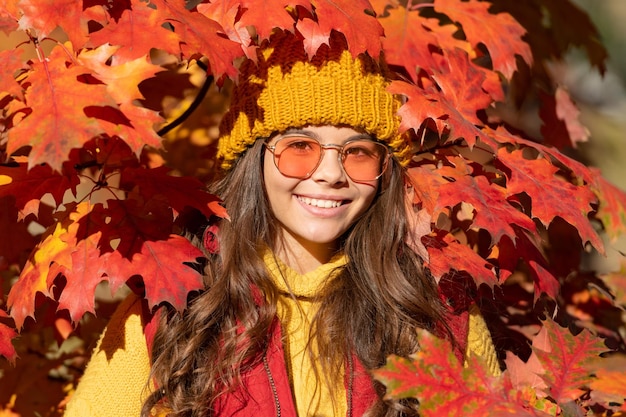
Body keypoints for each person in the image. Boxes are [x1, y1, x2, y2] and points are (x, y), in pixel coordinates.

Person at [63, 30, 500, 417]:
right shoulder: (177, 309)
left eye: (359, 152)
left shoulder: (438, 314)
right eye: (299, 147)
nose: (331, 173)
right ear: (253, 163)